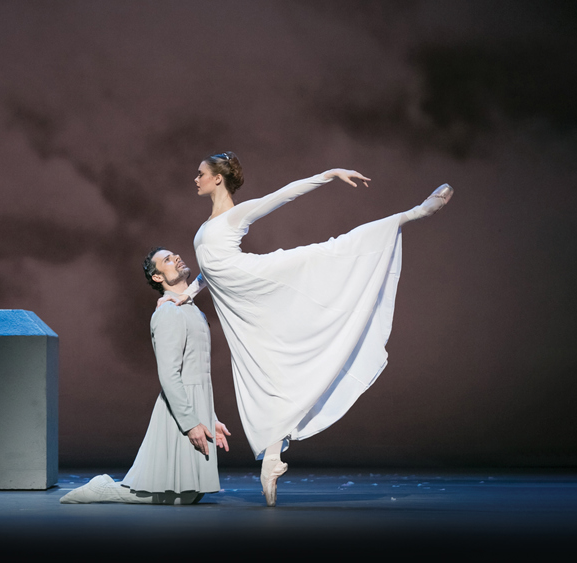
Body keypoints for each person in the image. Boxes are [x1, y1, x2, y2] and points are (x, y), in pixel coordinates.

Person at [160, 152, 453, 506]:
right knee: (264, 367)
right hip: (238, 300)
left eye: (201, 173)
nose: (196, 178)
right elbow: (211, 267)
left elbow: (283, 195)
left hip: (257, 278)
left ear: (217, 179)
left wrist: (328, 174)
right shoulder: (208, 224)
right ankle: (272, 457)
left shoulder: (237, 213)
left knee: (327, 254)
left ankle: (413, 213)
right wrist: (187, 294)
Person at [60, 248, 231, 505]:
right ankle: (102, 489)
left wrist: (210, 417)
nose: (175, 258)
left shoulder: (194, 311)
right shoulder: (168, 312)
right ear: (158, 277)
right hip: (180, 408)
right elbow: (169, 373)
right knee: (180, 498)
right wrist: (190, 422)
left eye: (174, 255)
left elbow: (197, 371)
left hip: (197, 403)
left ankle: (107, 488)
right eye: (166, 260)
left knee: (192, 494)